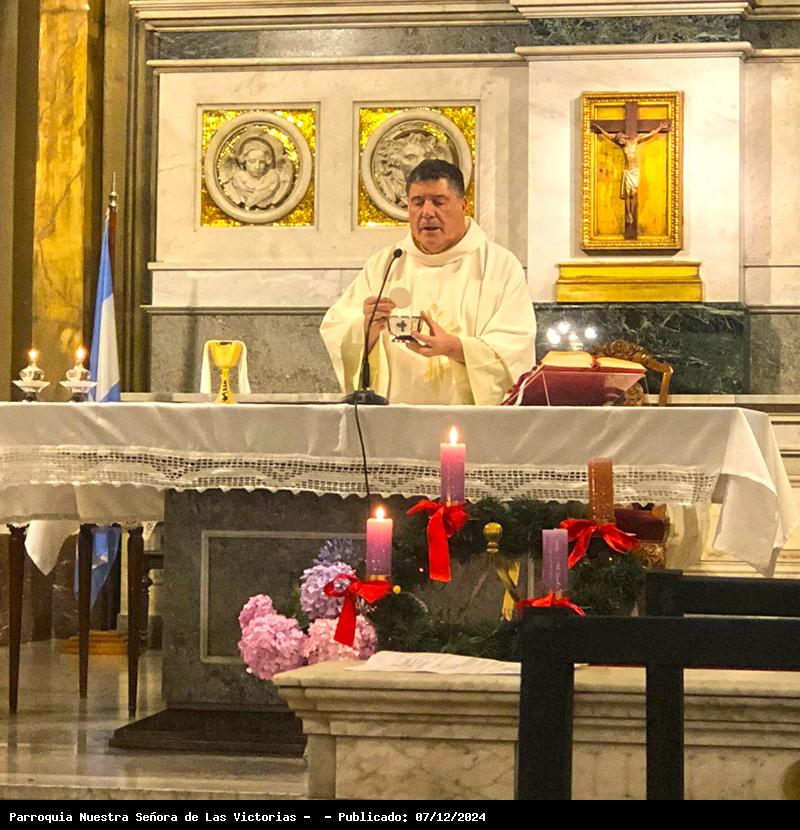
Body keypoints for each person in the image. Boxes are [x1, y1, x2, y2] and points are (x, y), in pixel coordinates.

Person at [320, 159, 536, 405]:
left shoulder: (499, 266)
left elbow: (515, 346)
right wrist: (366, 329)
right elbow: (337, 331)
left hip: (467, 419)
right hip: (395, 417)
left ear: (464, 205)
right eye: (418, 202)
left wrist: (455, 348)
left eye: (439, 201)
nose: (427, 212)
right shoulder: (386, 264)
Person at [594, 122, 668, 227]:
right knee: (627, 193)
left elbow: (650, 134)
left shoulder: (635, 141)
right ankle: (628, 214)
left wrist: (660, 127)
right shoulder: (621, 146)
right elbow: (607, 135)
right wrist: (599, 128)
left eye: (621, 140)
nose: (620, 142)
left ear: (624, 138)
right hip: (628, 171)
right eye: (619, 141)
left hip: (635, 171)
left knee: (634, 193)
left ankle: (631, 213)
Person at [222, 136, 281, 209]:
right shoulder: (237, 179)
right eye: (252, 161)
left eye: (262, 162)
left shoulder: (272, 179)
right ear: (244, 160)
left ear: (267, 162)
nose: (257, 166)